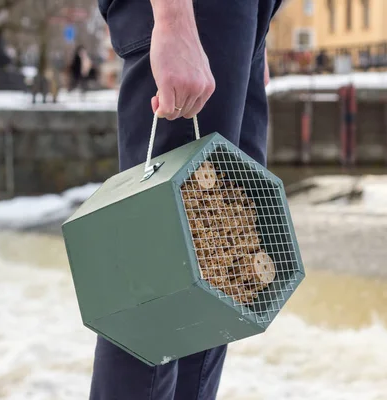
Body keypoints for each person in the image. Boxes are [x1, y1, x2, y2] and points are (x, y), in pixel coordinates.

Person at [91, 0, 281, 399]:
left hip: (238, 19)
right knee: (152, 285)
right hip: (195, 10)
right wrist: (173, 20)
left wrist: (255, 30)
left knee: (222, 274)